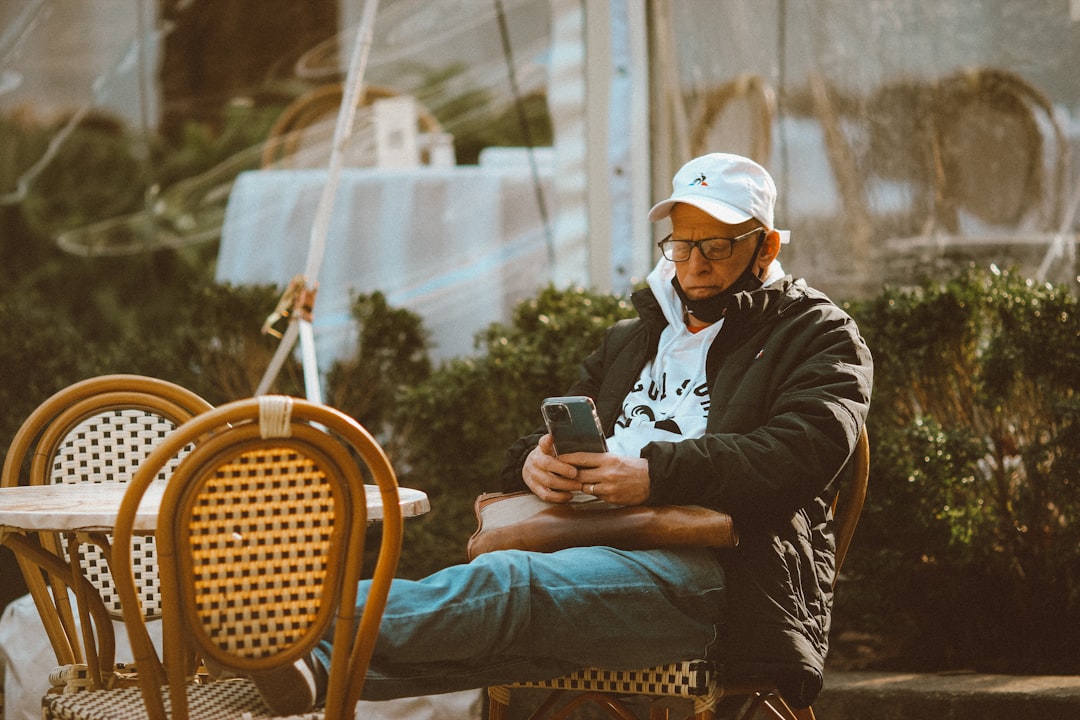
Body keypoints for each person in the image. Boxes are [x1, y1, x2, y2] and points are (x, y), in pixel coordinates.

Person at [253, 152, 873, 714]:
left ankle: (271, 628)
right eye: (681, 246)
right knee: (488, 625)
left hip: (720, 574)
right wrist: (534, 463)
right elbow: (541, 440)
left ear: (766, 246)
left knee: (505, 588)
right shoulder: (634, 338)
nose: (694, 265)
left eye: (718, 245)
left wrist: (653, 475)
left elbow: (801, 454)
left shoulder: (819, 333)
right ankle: (307, 659)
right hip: (587, 541)